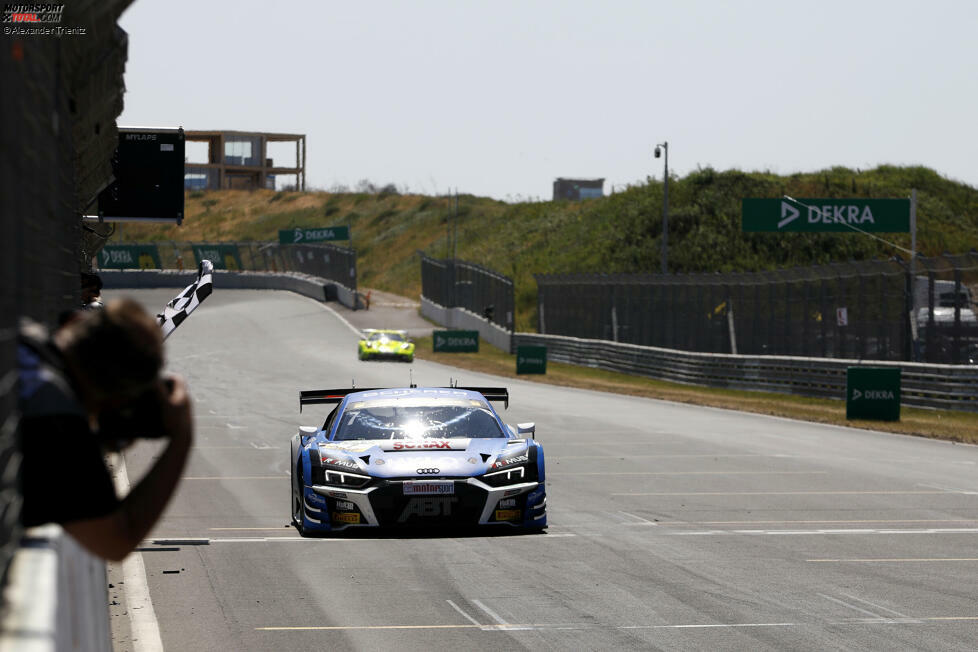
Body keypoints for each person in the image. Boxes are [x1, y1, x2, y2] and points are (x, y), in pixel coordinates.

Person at [17, 298, 193, 561]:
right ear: (116, 399)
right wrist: (182, 435)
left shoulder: (21, 339)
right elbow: (115, 541)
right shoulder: (56, 417)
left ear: (74, 322)